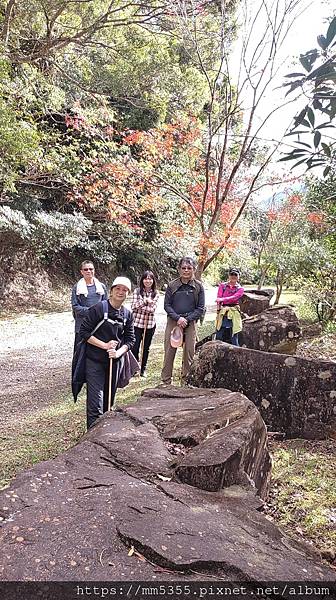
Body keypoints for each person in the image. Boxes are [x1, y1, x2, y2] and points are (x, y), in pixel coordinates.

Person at [78, 277, 135, 429]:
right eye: (118, 288)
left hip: (114, 362)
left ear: (128, 293)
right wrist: (104, 345)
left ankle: (104, 434)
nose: (121, 292)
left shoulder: (127, 314)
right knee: (95, 403)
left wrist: (118, 353)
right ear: (111, 290)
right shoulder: (98, 309)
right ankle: (91, 438)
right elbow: (84, 332)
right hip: (94, 361)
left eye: (124, 290)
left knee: (108, 402)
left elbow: (130, 340)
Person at [161, 257, 205, 385]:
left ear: (194, 269)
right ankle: (166, 382)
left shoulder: (198, 287)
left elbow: (200, 308)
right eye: (183, 268)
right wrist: (178, 318)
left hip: (190, 323)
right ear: (179, 269)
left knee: (189, 354)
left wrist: (187, 319)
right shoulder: (172, 285)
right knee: (169, 352)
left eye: (189, 268)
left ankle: (186, 381)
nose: (186, 270)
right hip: (173, 321)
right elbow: (167, 306)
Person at [71, 260, 108, 349]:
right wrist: (91, 312)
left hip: (98, 324)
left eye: (91, 269)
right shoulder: (77, 287)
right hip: (82, 325)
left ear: (94, 270)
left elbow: (106, 303)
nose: (88, 271)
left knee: (96, 351)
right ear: (82, 272)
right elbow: (75, 306)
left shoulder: (101, 287)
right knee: (79, 351)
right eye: (86, 269)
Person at [131, 270, 160, 377]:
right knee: (134, 346)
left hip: (150, 324)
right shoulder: (137, 291)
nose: (148, 281)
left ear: (153, 280)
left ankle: (143, 369)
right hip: (137, 323)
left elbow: (152, 309)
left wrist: (142, 305)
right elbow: (133, 307)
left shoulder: (156, 293)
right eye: (146, 278)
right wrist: (146, 301)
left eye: (150, 278)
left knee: (146, 347)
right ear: (142, 280)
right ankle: (135, 368)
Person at [215, 268, 244, 346]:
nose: (233, 276)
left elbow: (235, 297)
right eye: (232, 274)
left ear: (239, 276)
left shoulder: (240, 289)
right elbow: (219, 297)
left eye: (235, 275)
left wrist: (222, 299)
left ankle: (237, 353)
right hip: (223, 311)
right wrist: (218, 310)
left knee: (234, 335)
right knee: (219, 333)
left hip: (234, 312)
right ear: (229, 275)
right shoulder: (222, 286)